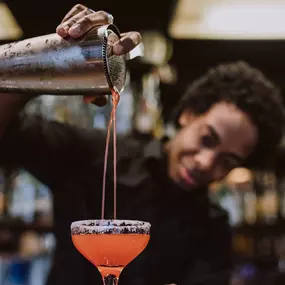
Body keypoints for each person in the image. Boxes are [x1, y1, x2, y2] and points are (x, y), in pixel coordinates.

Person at [0, 4, 284, 285]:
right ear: (188, 114)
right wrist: (48, 57)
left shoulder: (213, 229)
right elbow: (8, 134)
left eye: (228, 161)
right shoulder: (94, 154)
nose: (205, 162)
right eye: (207, 139)